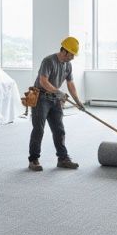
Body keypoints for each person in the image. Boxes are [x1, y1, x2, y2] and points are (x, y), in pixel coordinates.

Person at [28, 36, 84, 171]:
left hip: (55, 100)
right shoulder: (48, 61)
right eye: (72, 54)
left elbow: (70, 84)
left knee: (59, 130)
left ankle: (63, 158)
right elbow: (43, 81)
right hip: (41, 98)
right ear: (64, 51)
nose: (73, 58)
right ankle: (33, 160)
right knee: (39, 129)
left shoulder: (68, 65)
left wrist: (78, 101)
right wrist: (59, 92)